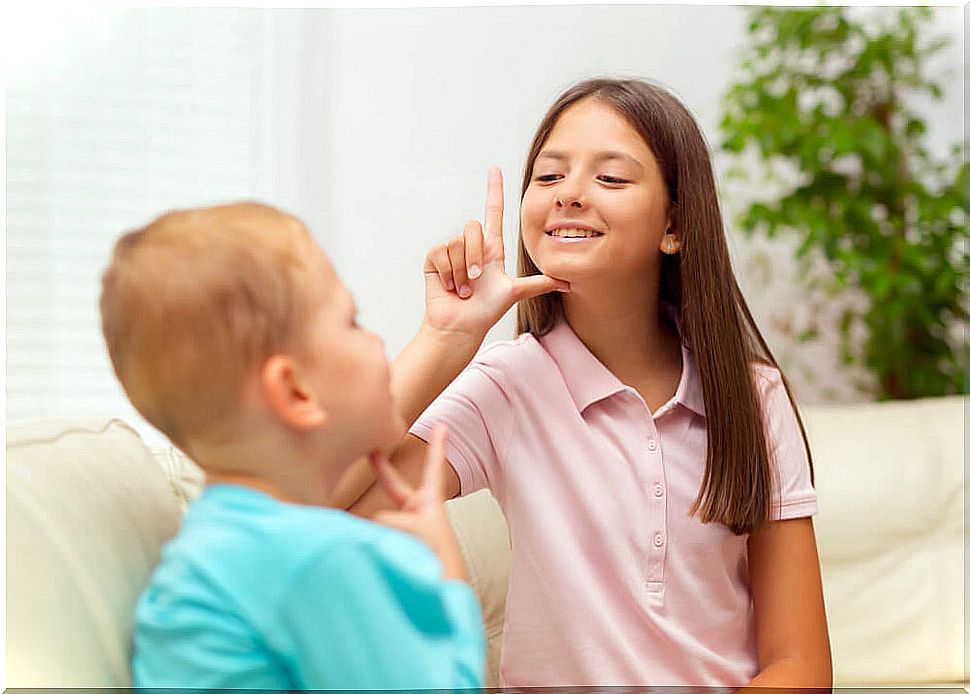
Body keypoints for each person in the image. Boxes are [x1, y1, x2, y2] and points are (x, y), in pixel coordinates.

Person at [345, 78, 832, 686]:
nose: (570, 194)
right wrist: (444, 338)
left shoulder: (752, 396)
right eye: (549, 177)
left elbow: (801, 664)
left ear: (673, 227)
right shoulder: (509, 385)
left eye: (611, 178)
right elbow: (329, 500)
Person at [100, 202, 485, 689]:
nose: (375, 342)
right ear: (295, 392)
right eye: (353, 322)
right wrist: (446, 575)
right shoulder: (319, 559)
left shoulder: (210, 548)